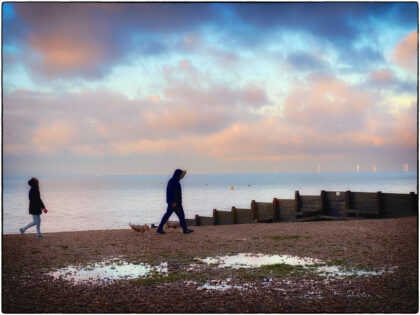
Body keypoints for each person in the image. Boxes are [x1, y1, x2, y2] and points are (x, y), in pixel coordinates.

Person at [157, 169, 194, 235]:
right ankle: (185, 230)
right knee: (179, 215)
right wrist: (173, 202)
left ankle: (185, 229)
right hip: (174, 203)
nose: (181, 176)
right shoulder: (173, 182)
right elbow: (170, 193)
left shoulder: (174, 181)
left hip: (176, 202)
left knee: (175, 215)